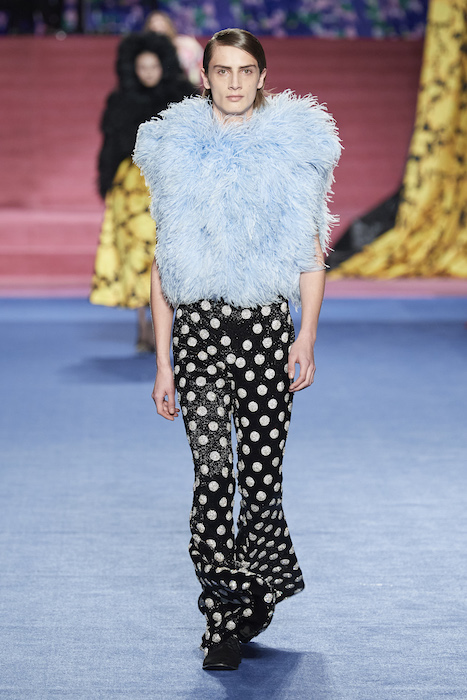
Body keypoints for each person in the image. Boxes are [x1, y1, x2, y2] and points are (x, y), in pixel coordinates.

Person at [134, 28, 341, 669]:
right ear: (204, 77)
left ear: (261, 76)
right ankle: (223, 617)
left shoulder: (292, 150)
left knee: (259, 479)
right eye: (222, 70)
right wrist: (164, 362)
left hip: (264, 333)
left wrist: (306, 334)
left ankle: (257, 586)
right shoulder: (174, 150)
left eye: (245, 70)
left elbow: (310, 253)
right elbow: (165, 264)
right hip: (197, 334)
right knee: (212, 475)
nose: (233, 82)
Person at [90, 32, 197, 351]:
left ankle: (170, 324)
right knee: (137, 255)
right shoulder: (120, 102)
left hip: (170, 187)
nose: (148, 73)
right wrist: (108, 183)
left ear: (164, 65)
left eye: (153, 66)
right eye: (142, 67)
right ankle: (143, 325)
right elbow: (110, 147)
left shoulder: (183, 100)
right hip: (132, 191)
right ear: (133, 69)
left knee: (169, 254)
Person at [144, 10, 203, 86]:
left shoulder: (187, 44)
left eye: (162, 25)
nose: (159, 28)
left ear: (169, 25)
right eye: (155, 27)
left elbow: (201, 62)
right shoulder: (146, 51)